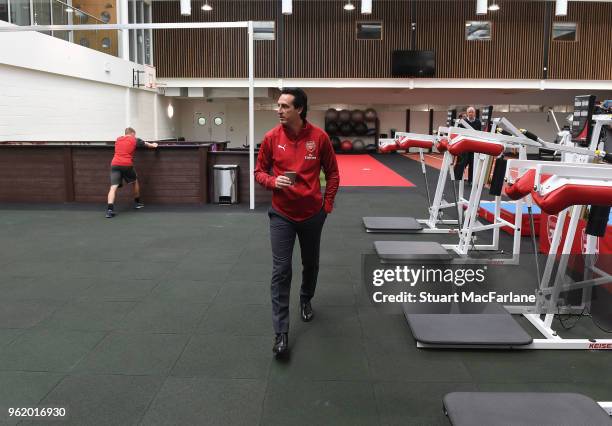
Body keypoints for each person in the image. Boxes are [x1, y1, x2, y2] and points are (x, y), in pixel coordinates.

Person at [254, 88, 340, 357]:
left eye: (284, 106)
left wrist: (326, 205)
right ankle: (281, 332)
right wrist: (271, 181)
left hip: (312, 214)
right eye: (278, 106)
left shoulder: (319, 137)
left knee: (310, 263)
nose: (278, 110)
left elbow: (333, 173)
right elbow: (259, 171)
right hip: (281, 214)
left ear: (299, 109)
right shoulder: (271, 138)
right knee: (281, 271)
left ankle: (305, 299)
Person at [105, 127, 158, 218]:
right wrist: (154, 144)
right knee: (135, 182)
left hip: (114, 164)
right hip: (126, 164)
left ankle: (110, 210)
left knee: (113, 187)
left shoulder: (118, 139)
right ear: (133, 133)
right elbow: (149, 145)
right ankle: (137, 203)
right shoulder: (135, 139)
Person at [455, 106, 482, 183]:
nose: (471, 113)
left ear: (475, 113)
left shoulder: (478, 122)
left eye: (472, 112)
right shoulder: (463, 122)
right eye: (469, 112)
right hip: (465, 145)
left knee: (473, 163)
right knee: (462, 161)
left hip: (474, 146)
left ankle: (471, 180)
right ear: (467, 113)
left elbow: (479, 133)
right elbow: (459, 133)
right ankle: (457, 177)